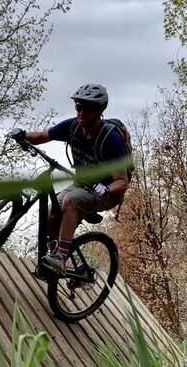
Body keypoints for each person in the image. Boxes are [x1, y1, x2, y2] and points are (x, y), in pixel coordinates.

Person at [11, 83, 128, 276]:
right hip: (81, 185)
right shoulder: (73, 127)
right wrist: (23, 135)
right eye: (78, 106)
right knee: (50, 213)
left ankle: (61, 257)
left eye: (87, 108)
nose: (81, 112)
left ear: (101, 110)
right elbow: (42, 135)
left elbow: (122, 182)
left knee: (70, 202)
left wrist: (106, 190)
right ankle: (52, 260)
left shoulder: (110, 139)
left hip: (107, 192)